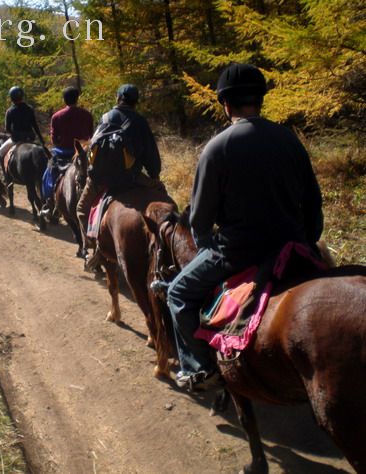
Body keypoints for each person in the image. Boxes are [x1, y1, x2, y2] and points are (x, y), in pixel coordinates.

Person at [159, 63, 323, 391]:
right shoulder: (289, 140)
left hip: (238, 250)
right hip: (293, 244)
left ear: (225, 104)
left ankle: (199, 367)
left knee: (177, 292)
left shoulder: (218, 147)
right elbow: (314, 205)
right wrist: (306, 241)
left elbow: (200, 221)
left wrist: (207, 246)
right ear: (259, 101)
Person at [76, 84, 161, 267]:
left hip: (100, 179)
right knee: (165, 201)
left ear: (117, 98)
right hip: (132, 177)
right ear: (136, 102)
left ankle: (92, 248)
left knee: (81, 209)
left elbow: (93, 148)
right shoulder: (140, 121)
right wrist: (154, 177)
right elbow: (151, 155)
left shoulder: (105, 117)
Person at [41, 86, 94, 216]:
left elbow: (54, 139)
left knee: (48, 175)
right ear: (77, 98)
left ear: (64, 99)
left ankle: (49, 202)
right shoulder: (87, 115)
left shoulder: (57, 116)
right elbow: (90, 135)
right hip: (83, 152)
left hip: (63, 153)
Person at [0, 87, 46, 166]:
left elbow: (7, 129)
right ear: (22, 96)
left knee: (0, 152)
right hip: (30, 137)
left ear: (11, 98)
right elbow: (35, 126)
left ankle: (5, 176)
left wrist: (14, 134)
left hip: (17, 139)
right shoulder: (29, 108)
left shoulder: (10, 111)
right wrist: (41, 139)